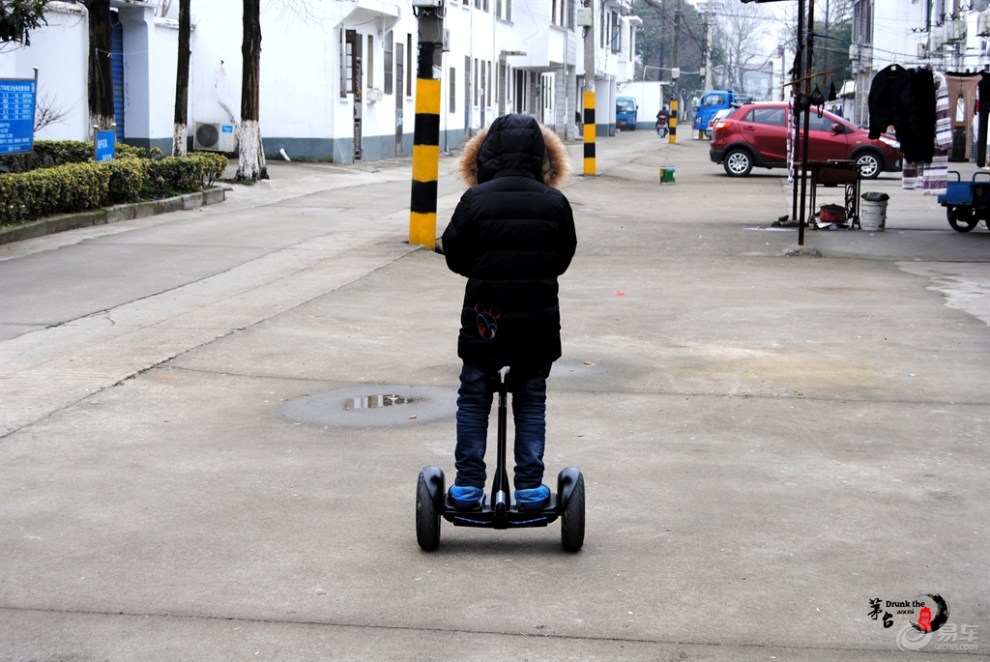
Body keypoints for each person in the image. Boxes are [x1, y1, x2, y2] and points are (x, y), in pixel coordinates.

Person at [440, 114, 577, 511]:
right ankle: (531, 488)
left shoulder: (475, 200)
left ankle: (467, 485)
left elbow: (454, 252)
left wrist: (483, 269)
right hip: (537, 325)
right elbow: (562, 258)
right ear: (542, 155)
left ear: (486, 155)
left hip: (486, 319)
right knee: (531, 398)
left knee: (473, 395)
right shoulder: (555, 202)